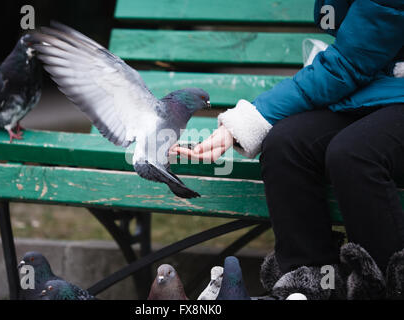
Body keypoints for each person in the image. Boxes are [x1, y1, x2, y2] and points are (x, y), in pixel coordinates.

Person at [172, 0, 404, 298]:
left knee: (353, 154)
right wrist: (239, 127)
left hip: (377, 81)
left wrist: (245, 120)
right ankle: (310, 285)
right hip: (378, 84)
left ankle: (384, 289)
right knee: (286, 144)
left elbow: (348, 64)